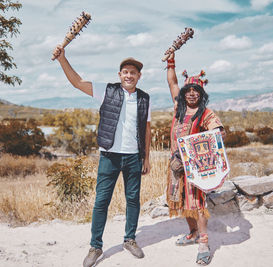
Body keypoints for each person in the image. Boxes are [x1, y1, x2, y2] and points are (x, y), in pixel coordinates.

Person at [52, 46, 151, 267]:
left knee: (133, 200)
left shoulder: (145, 98)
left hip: (134, 157)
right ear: (120, 75)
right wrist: (62, 59)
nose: (129, 75)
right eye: (125, 71)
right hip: (109, 156)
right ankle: (95, 246)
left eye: (133, 72)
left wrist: (147, 157)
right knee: (101, 202)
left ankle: (130, 240)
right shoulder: (107, 90)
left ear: (139, 76)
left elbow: (147, 129)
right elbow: (77, 82)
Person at [165, 52, 225, 266]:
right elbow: (171, 80)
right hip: (175, 165)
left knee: (197, 203)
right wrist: (170, 61)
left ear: (201, 94)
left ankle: (204, 242)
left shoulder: (205, 113)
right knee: (181, 202)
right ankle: (192, 233)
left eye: (196, 91)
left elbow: (216, 128)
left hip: (195, 168)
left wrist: (216, 132)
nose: (191, 94)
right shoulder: (178, 108)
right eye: (188, 90)